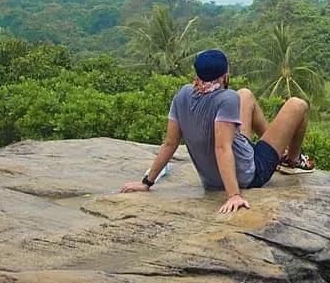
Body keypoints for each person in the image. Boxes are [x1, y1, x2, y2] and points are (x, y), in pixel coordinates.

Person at [120, 49, 314, 213]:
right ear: (225, 76)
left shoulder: (183, 94)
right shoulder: (227, 98)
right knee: (298, 105)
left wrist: (147, 182)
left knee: (245, 95)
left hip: (212, 177)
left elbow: (170, 143)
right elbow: (222, 149)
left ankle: (280, 154)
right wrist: (234, 195)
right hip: (249, 174)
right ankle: (291, 160)